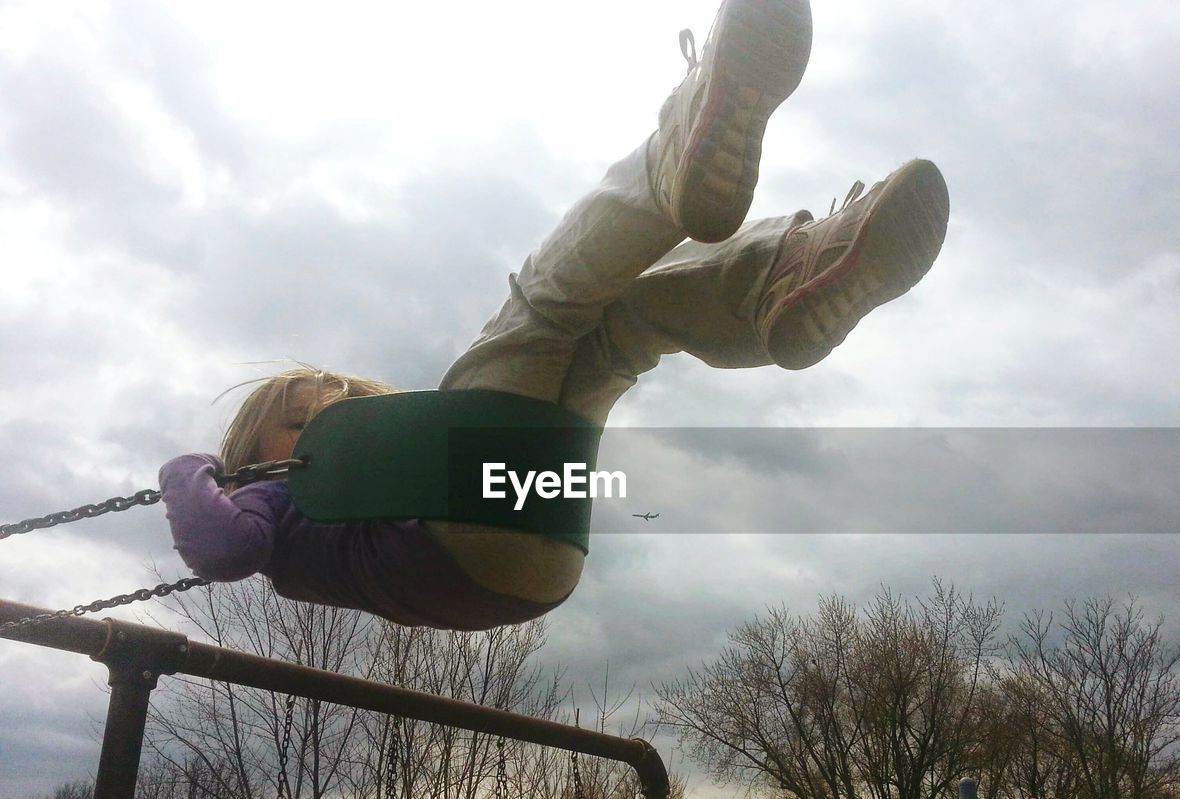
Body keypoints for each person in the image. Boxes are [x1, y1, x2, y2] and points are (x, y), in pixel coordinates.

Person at [160, 0, 949, 630]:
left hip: (529, 564)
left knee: (622, 328)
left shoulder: (340, 508)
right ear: (253, 455)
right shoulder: (269, 497)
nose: (327, 423)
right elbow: (221, 548)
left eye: (342, 406)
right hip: (464, 540)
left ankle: (782, 280)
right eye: (300, 422)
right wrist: (192, 473)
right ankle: (681, 145)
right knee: (542, 305)